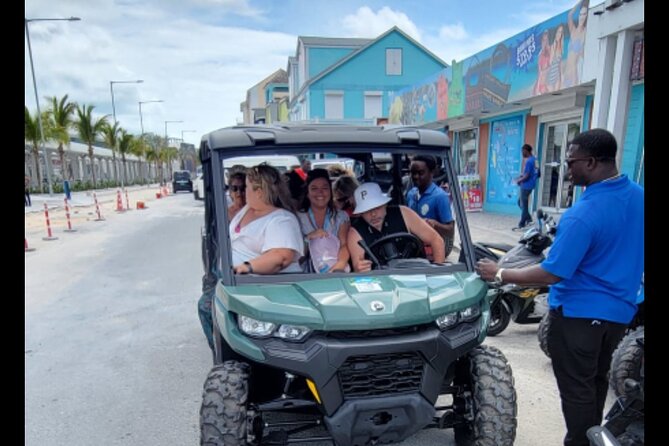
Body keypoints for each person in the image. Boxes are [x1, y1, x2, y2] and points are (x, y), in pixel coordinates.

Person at [476, 128, 644, 446]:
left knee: (577, 389)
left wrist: (500, 273)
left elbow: (553, 273)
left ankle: (580, 442)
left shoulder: (584, 214)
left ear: (592, 162)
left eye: (571, 162)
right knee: (594, 380)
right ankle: (595, 437)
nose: (566, 169)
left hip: (580, 317)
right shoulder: (638, 196)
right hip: (619, 315)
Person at [347, 182, 445, 272]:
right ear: (361, 213)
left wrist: (438, 274)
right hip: (381, 282)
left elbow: (436, 240)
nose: (373, 214)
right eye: (367, 210)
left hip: (416, 273)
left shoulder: (404, 213)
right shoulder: (355, 233)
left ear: (384, 204)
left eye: (377, 207)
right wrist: (360, 267)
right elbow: (358, 265)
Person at [230, 163, 304, 274]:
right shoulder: (248, 208)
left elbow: (281, 256)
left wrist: (247, 267)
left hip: (265, 286)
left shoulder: (282, 220)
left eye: (246, 187)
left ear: (259, 192)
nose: (244, 191)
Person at [296, 168, 350, 273]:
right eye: (314, 188)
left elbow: (344, 245)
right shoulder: (298, 218)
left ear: (330, 192)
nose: (320, 192)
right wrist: (308, 238)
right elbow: (296, 256)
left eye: (325, 188)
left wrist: (340, 265)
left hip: (336, 271)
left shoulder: (340, 216)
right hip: (304, 274)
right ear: (307, 193)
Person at [406, 155, 455, 258]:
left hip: (432, 251)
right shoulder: (411, 194)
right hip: (412, 248)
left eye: (420, 173)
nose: (415, 177)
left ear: (432, 172)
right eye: (413, 173)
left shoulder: (440, 197)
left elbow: (450, 228)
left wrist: (434, 224)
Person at [563, 1, 589, 88]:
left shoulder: (585, 32)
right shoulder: (573, 30)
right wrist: (580, 2)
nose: (582, 17)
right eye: (580, 14)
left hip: (574, 72)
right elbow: (570, 15)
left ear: (587, 16)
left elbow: (584, 55)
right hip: (565, 72)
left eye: (584, 14)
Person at [514, 144, 538, 229]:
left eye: (522, 151)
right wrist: (524, 175)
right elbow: (538, 173)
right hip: (531, 185)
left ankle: (522, 223)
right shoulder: (535, 160)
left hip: (526, 186)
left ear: (526, 151)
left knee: (523, 204)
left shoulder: (529, 161)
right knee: (520, 202)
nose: (522, 153)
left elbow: (527, 176)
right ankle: (528, 219)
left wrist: (519, 180)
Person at [533, 30, 551, 95]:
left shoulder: (549, 51)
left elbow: (550, 66)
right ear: (541, 41)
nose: (545, 42)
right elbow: (539, 73)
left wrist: (545, 71)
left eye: (546, 40)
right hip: (539, 84)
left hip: (545, 84)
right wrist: (537, 88)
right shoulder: (540, 54)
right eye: (543, 40)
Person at [547, 25, 564, 92]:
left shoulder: (561, 47)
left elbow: (560, 64)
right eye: (558, 32)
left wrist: (561, 75)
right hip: (552, 73)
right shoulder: (553, 46)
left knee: (557, 91)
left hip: (557, 74)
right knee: (551, 93)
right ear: (556, 33)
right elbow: (550, 62)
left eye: (561, 32)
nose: (559, 34)